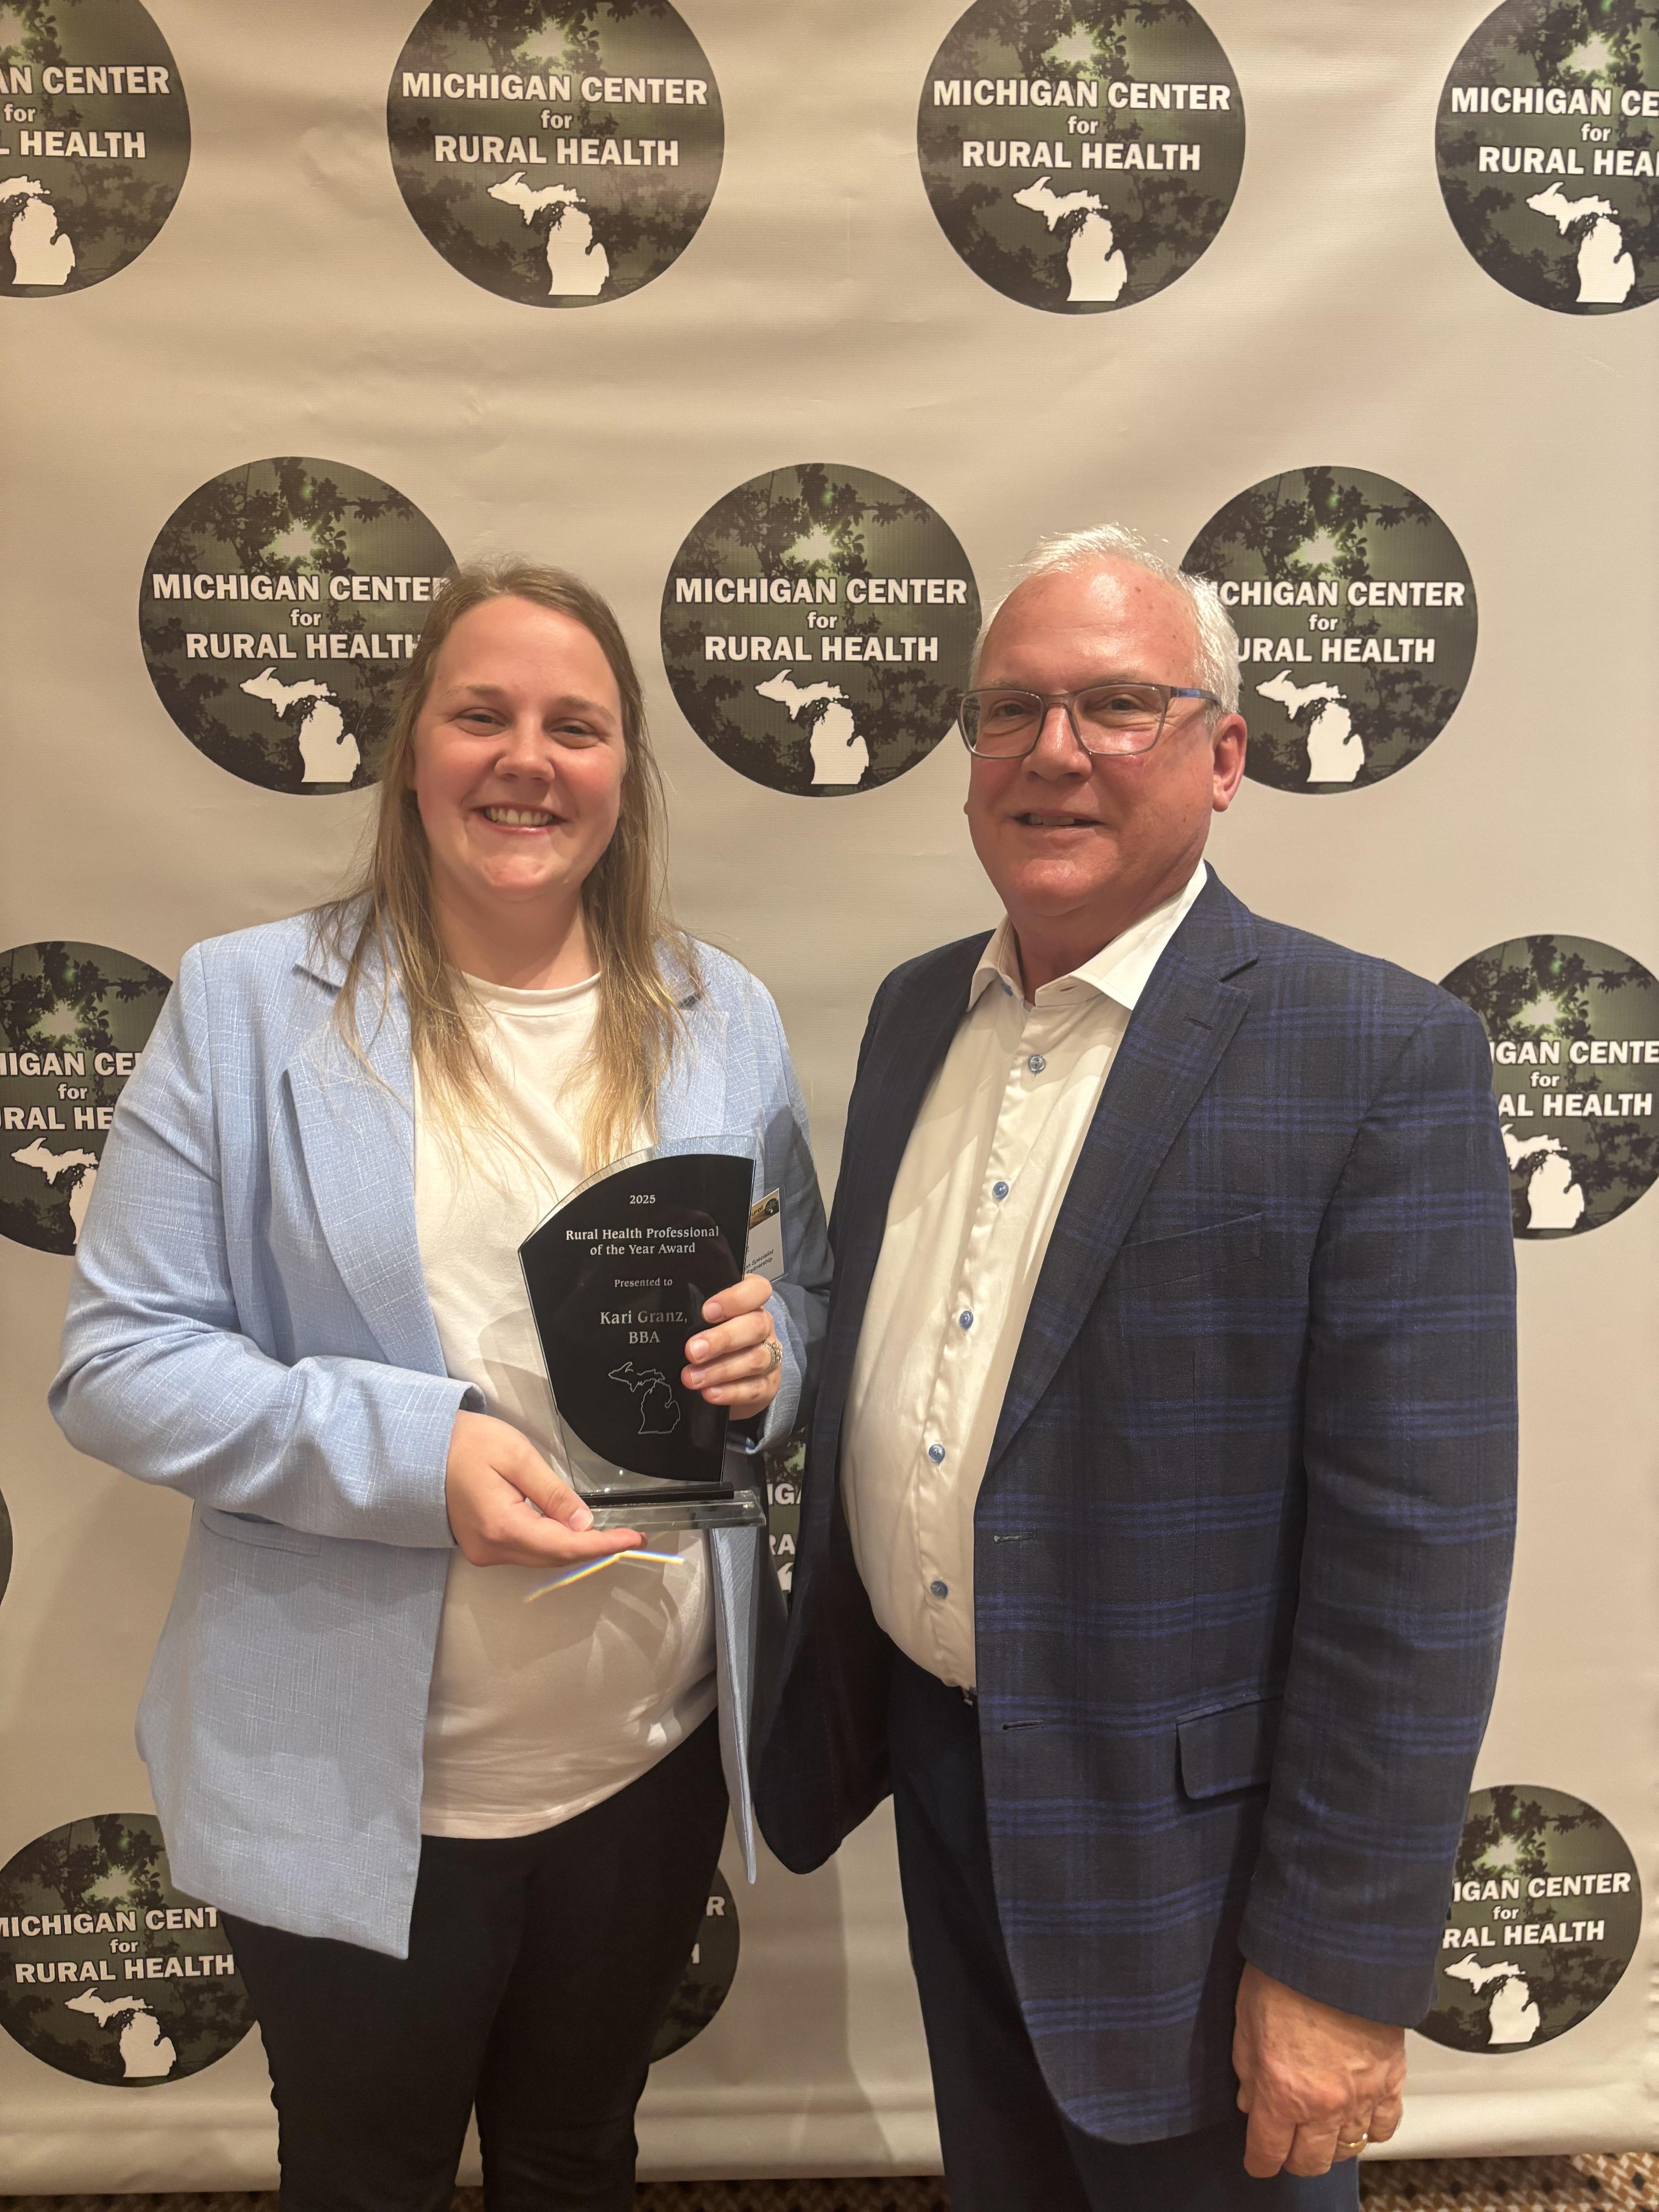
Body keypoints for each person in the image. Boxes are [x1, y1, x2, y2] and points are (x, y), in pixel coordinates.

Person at [51, 559, 831, 2212]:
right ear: (411, 750)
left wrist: (778, 1361)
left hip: (646, 1748)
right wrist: (423, 1457)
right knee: (366, 2171)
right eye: (482, 715)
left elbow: (804, 1298)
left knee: (575, 2154)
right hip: (360, 1772)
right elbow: (120, 1360)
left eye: (575, 726)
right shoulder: (248, 1004)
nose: (526, 759)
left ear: (626, 772)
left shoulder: (721, 1013)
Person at [754, 525, 1516, 2210]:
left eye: (1116, 705)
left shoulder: (1376, 1056)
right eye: (1010, 711)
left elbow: (1421, 1562)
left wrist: (1334, 1962)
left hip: (1200, 1866)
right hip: (944, 1774)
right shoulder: (915, 1015)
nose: (1053, 751)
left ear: (1224, 756)